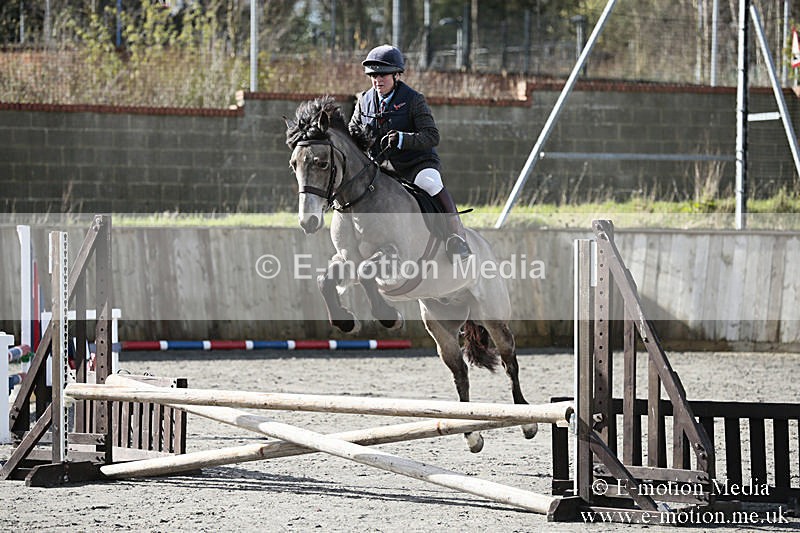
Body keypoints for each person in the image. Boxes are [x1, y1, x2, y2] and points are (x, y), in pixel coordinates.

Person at [348, 44, 472, 263]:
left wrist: (403, 138)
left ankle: (456, 237)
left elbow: (432, 136)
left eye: (383, 75)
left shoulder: (414, 99)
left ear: (396, 75)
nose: (378, 80)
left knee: (431, 183)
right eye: (374, 75)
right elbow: (353, 134)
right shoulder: (364, 101)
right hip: (382, 168)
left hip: (416, 163)